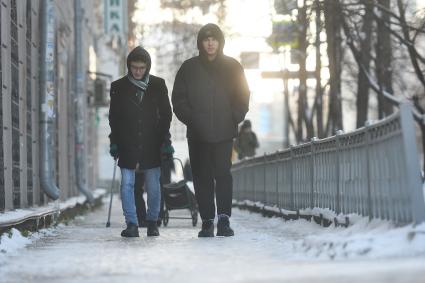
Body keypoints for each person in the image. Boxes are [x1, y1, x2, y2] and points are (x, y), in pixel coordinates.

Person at [172, 23, 250, 237]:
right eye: (206, 39)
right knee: (201, 176)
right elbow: (178, 99)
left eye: (214, 39)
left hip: (224, 131)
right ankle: (207, 220)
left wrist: (235, 116)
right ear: (200, 42)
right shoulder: (188, 68)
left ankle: (224, 219)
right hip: (197, 133)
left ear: (220, 42)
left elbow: (243, 95)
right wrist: (192, 119)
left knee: (223, 175)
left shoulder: (233, 67)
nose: (210, 43)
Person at [109, 46, 172, 237]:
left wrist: (165, 141)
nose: (137, 71)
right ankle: (132, 224)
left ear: (147, 67)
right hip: (127, 142)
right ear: (129, 66)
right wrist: (114, 141)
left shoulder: (158, 85)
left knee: (153, 185)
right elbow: (114, 117)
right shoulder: (118, 87)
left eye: (141, 68)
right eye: (134, 67)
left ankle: (153, 222)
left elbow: (166, 115)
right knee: (126, 184)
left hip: (153, 142)